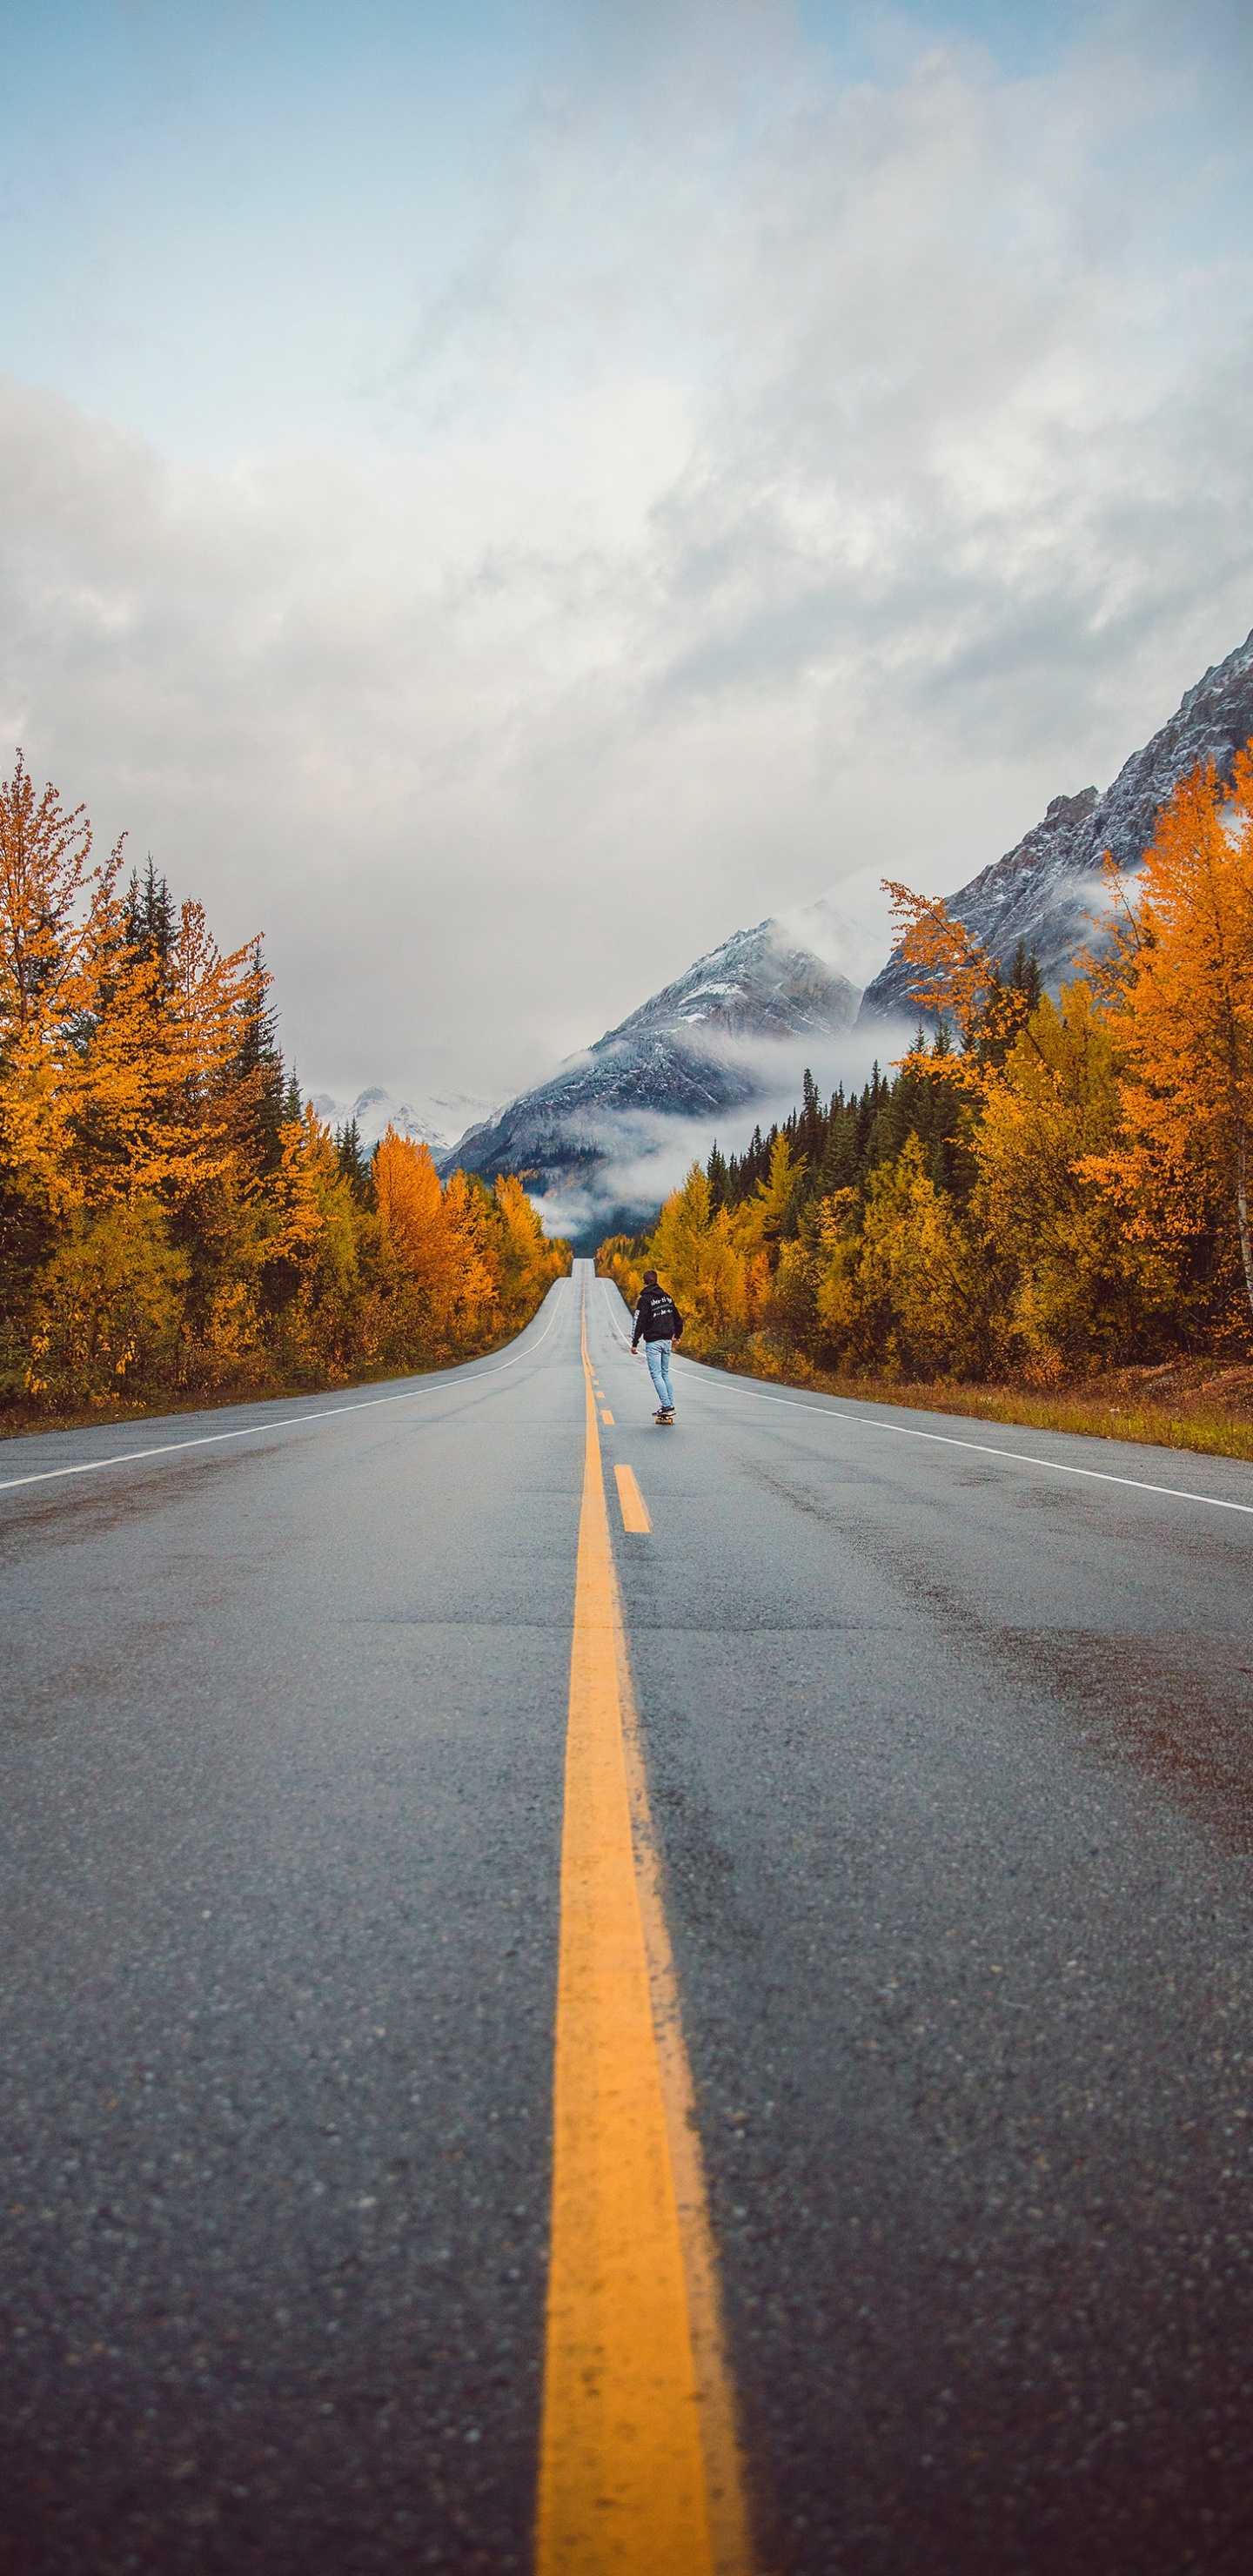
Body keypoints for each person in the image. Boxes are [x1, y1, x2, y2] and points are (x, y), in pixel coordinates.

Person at [631, 1268, 683, 1421]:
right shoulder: (667, 1298)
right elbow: (678, 1318)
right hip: (667, 1341)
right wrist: (677, 1335)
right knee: (665, 1373)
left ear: (644, 1282)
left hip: (653, 1341)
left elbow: (639, 1321)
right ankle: (669, 1405)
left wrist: (635, 1342)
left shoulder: (645, 1300)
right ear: (656, 1280)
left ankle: (667, 1406)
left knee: (656, 1374)